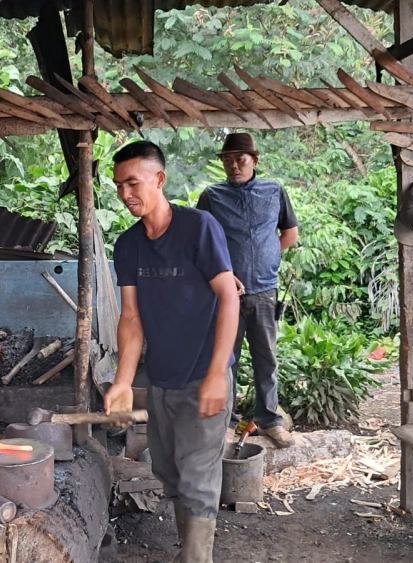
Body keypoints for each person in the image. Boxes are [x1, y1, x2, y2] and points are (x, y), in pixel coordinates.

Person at [103, 141, 238, 562]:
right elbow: (130, 318)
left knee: (198, 476)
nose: (125, 194)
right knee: (169, 472)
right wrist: (124, 381)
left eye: (133, 183)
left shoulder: (199, 228)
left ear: (159, 179)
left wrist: (218, 373)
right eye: (118, 186)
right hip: (161, 379)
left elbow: (230, 298)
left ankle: (197, 558)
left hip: (204, 374)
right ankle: (189, 551)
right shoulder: (128, 246)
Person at [196, 133, 298, 448]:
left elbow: (290, 234)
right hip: (226, 295)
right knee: (226, 358)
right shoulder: (212, 196)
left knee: (266, 359)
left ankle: (268, 420)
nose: (234, 165)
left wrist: (267, 262)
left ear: (255, 160)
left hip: (265, 291)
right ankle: (224, 423)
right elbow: (200, 244)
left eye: (241, 159)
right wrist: (225, 274)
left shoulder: (274, 191)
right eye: (228, 159)